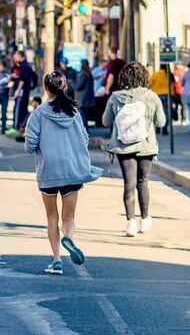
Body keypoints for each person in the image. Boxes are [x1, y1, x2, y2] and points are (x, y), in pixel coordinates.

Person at [25, 72, 101, 275]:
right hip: (72, 170)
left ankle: (56, 260)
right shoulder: (74, 113)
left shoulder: (38, 113)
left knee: (52, 216)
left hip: (48, 172)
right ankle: (69, 236)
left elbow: (30, 145)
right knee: (69, 216)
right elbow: (84, 138)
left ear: (46, 88)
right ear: (65, 87)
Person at [102, 62, 167, 237]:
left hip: (123, 147)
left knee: (128, 184)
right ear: (144, 77)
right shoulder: (151, 97)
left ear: (123, 78)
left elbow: (106, 121)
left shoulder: (115, 97)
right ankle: (144, 220)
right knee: (142, 183)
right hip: (146, 146)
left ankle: (130, 222)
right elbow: (161, 122)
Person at [11, 49, 37, 134]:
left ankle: (16, 127)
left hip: (22, 92)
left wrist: (17, 91)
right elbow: (34, 76)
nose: (14, 57)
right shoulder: (26, 66)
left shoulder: (24, 66)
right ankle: (22, 126)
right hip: (25, 92)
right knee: (23, 110)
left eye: (16, 55)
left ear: (20, 56)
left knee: (18, 109)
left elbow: (22, 80)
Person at [149, 64, 175, 135]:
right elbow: (174, 85)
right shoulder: (169, 75)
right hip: (167, 95)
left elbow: (150, 84)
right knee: (166, 112)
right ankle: (165, 128)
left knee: (157, 111)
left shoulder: (155, 74)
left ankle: (157, 127)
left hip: (157, 95)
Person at [74, 59, 96, 128]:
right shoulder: (89, 74)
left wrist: (71, 83)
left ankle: (84, 132)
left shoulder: (82, 74)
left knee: (82, 116)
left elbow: (78, 86)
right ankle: (85, 131)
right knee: (85, 116)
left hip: (81, 99)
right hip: (88, 99)